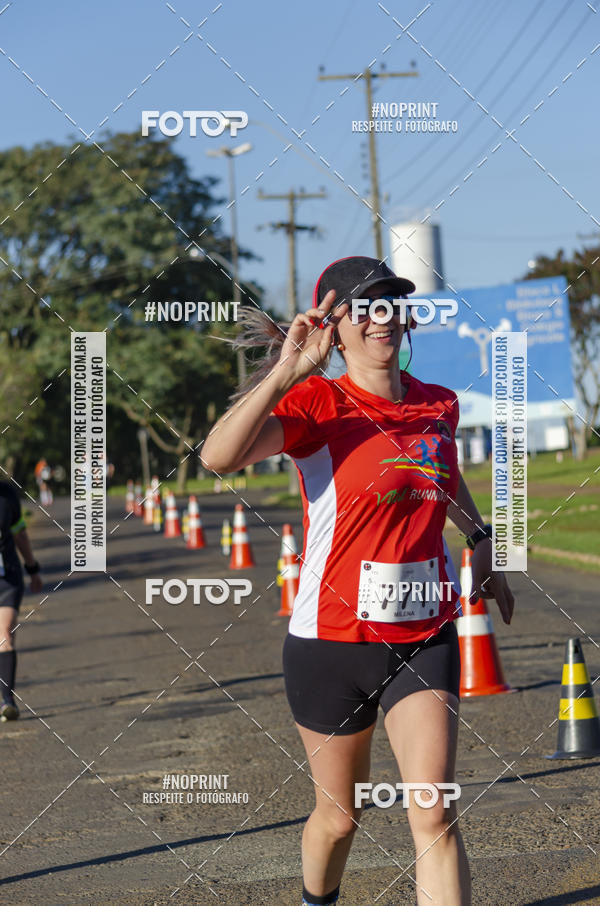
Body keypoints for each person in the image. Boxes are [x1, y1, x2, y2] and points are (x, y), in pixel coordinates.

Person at [201, 256, 515, 906]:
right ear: (333, 325)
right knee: (340, 818)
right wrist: (289, 368)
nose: (383, 317)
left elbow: (441, 475)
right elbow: (217, 456)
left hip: (424, 632)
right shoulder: (319, 405)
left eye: (393, 302)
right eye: (365, 305)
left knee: (433, 811)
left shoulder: (439, 404)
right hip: (329, 642)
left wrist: (482, 538)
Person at [0, 479, 43, 721]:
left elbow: (19, 534)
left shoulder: (7, 494)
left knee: (5, 633)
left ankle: (7, 701)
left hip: (6, 576)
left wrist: (32, 568)